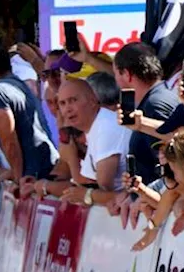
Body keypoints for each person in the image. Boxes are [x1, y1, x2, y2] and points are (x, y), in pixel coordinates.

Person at [0, 40, 57, 185]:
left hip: (34, 176)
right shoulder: (19, 85)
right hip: (48, 167)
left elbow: (10, 142)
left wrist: (18, 178)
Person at [54, 78, 129, 208]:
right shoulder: (94, 128)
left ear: (93, 101)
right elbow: (85, 184)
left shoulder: (106, 126)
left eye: (73, 100)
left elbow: (104, 186)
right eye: (62, 103)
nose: (67, 109)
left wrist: (72, 159)